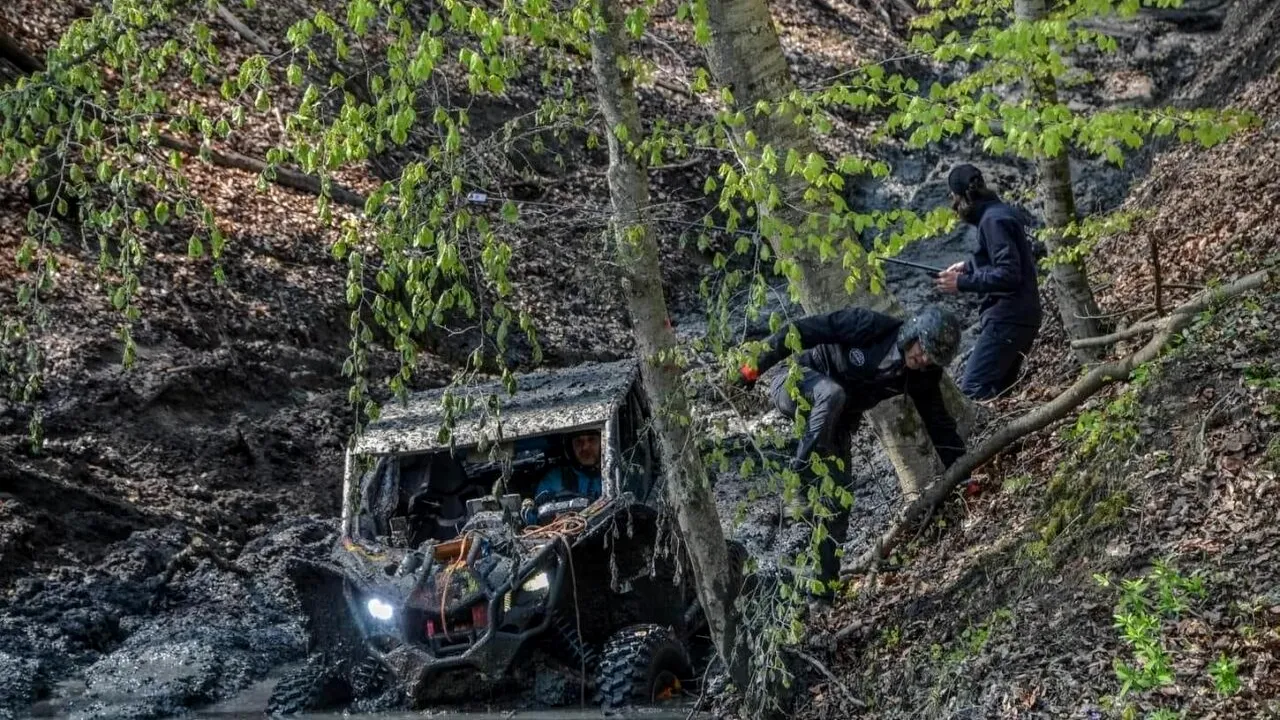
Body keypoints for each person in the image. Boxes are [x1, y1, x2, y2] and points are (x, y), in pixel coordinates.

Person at [736, 305, 968, 607]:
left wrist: (965, 475)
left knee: (838, 500)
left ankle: (822, 593)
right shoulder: (868, 325)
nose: (922, 360)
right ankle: (799, 482)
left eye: (931, 358)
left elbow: (939, 424)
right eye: (922, 349)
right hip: (794, 381)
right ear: (913, 333)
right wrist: (755, 364)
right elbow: (802, 330)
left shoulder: (923, 376)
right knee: (832, 394)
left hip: (836, 420)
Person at [934, 163, 1043, 400]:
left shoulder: (992, 221)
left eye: (953, 196)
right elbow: (1013, 261)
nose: (952, 204)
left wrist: (961, 283)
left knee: (972, 390)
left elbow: (1009, 274)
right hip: (1024, 316)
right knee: (1000, 394)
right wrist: (968, 267)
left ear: (962, 197)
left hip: (1008, 318)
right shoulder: (1000, 212)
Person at [535, 430, 604, 500]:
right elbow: (540, 505)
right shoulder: (555, 479)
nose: (585, 447)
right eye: (578, 441)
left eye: (591, 439)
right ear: (570, 447)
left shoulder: (614, 473)